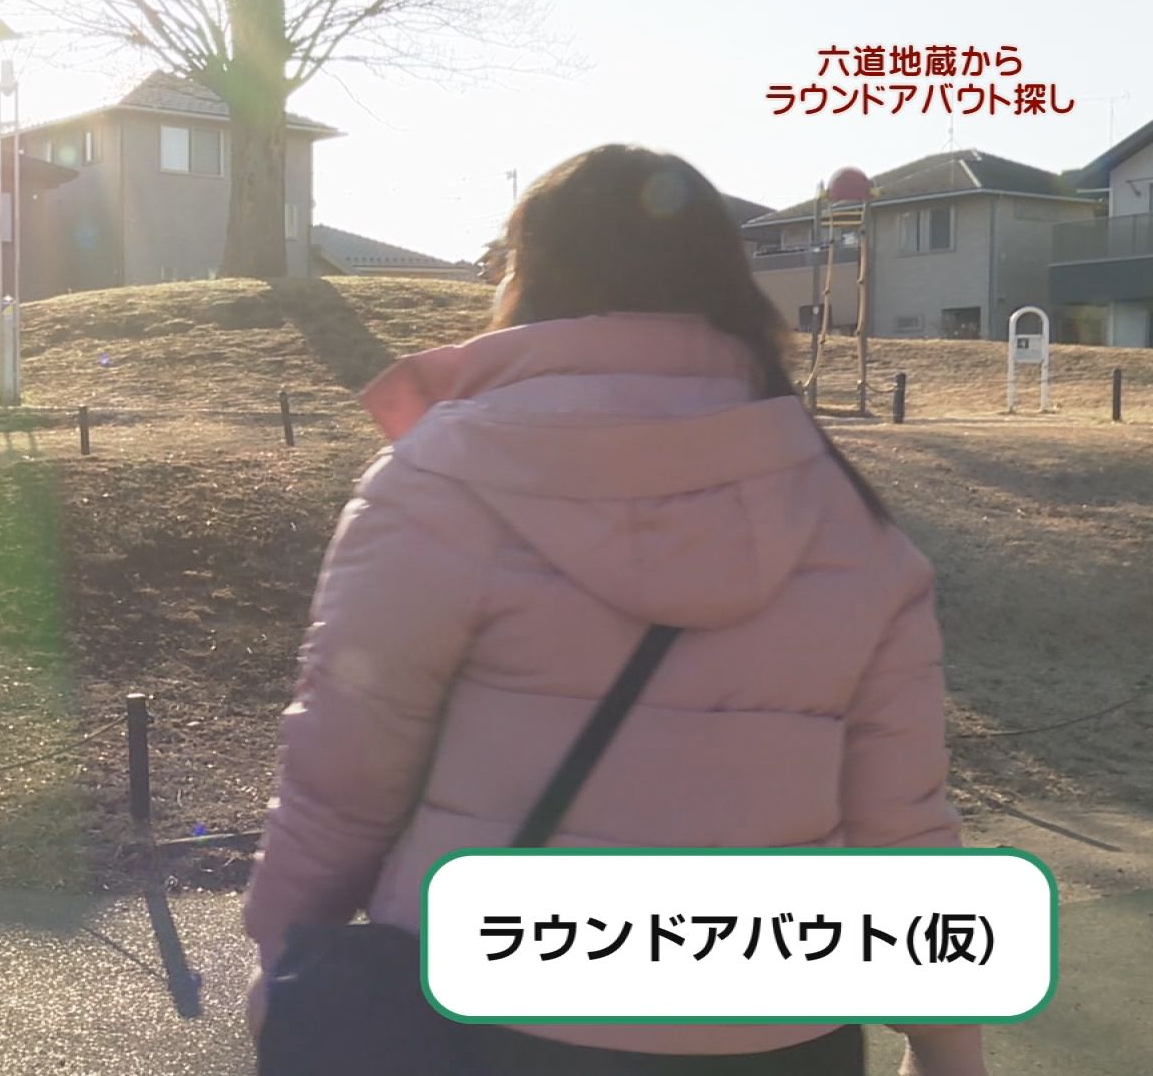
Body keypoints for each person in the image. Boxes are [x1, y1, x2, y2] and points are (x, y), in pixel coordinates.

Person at [242, 145, 984, 1076]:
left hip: (487, 1022)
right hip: (779, 1033)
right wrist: (947, 1045)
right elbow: (902, 822)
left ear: (529, 276)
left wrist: (284, 960)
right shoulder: (845, 513)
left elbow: (344, 773)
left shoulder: (441, 478)